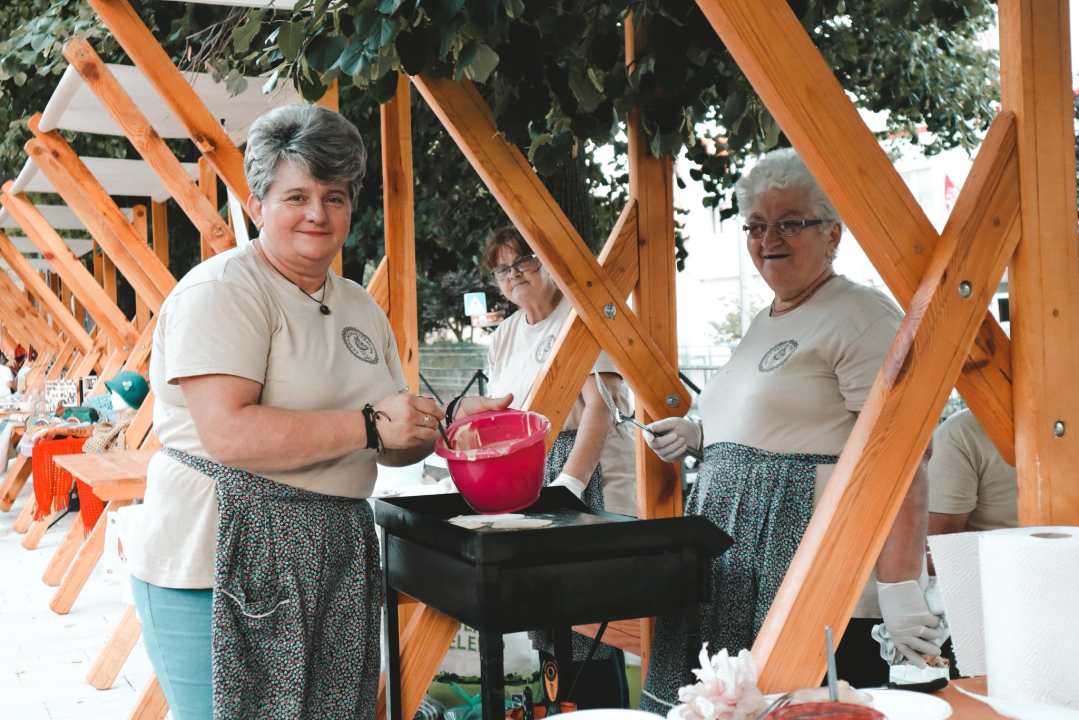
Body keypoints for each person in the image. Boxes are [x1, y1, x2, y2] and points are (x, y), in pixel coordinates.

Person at [126, 104, 508, 720]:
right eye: (296, 195)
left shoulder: (359, 305)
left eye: (334, 196)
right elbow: (228, 432)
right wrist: (367, 425)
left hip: (337, 549)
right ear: (257, 207)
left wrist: (445, 424)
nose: (317, 213)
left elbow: (391, 440)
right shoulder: (223, 291)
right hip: (217, 557)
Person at [637, 148, 944, 712]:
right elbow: (773, 423)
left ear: (833, 235)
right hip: (731, 573)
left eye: (789, 223)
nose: (768, 238)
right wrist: (700, 435)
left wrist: (900, 588)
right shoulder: (765, 318)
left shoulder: (863, 315)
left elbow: (907, 456)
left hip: (815, 580)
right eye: (755, 226)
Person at [482, 225, 637, 709]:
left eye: (523, 261)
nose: (514, 275)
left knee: (591, 625)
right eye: (502, 268)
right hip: (533, 481)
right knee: (549, 624)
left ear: (548, 262)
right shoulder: (506, 334)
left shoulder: (580, 316)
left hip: (587, 480)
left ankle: (600, 712)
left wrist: (568, 485)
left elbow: (603, 406)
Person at [926, 409, 1017, 568]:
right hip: (993, 577)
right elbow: (937, 552)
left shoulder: (960, 431)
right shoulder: (963, 432)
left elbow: (935, 554)